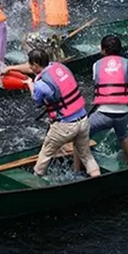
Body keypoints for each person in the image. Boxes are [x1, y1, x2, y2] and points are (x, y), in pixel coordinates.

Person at [17, 49, 101, 178]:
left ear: (35, 64)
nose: (29, 67)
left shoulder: (40, 85)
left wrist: (30, 84)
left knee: (45, 153)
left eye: (30, 65)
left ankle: (36, 179)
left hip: (65, 125)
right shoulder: (59, 67)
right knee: (86, 155)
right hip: (83, 119)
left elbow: (37, 101)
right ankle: (97, 178)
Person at [89, 35, 128, 166]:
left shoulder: (96, 65)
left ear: (103, 50)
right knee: (124, 136)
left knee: (81, 134)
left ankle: (79, 167)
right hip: (122, 114)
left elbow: (98, 85)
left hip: (103, 114)